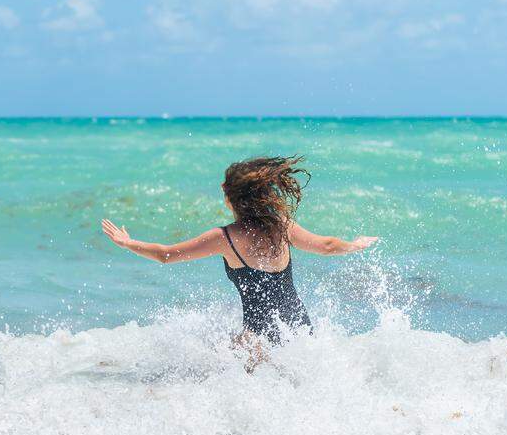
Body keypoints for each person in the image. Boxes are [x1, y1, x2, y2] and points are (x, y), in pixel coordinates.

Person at [101, 155, 377, 370]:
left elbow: (166, 255)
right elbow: (327, 246)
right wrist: (355, 244)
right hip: (301, 333)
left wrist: (128, 243)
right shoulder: (282, 226)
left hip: (257, 341)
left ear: (227, 194)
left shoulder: (225, 238)